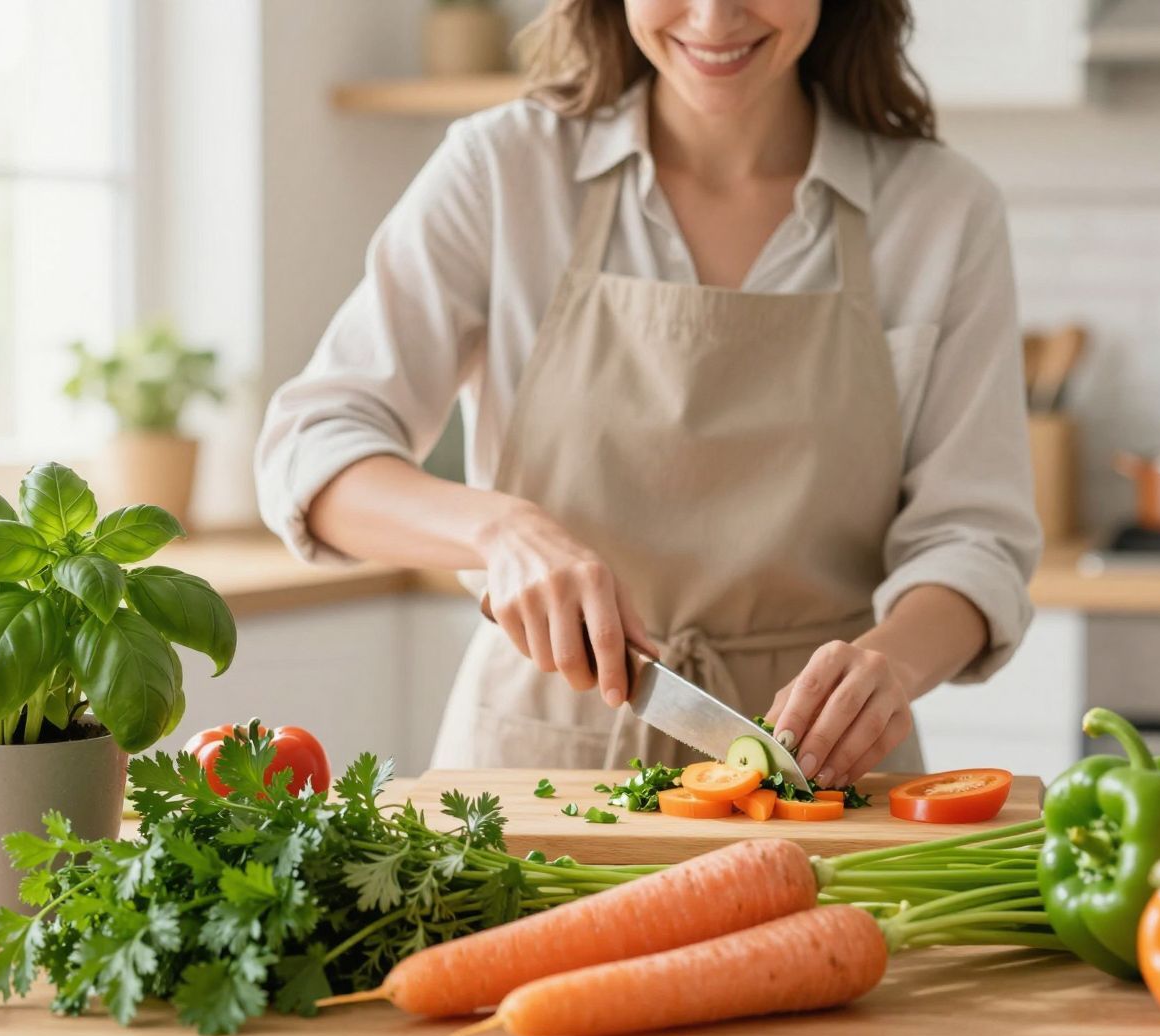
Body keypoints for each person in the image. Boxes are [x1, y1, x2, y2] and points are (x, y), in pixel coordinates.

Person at [256, 0, 1038, 789]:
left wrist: (890, 667)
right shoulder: (503, 170)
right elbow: (314, 447)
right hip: (534, 770)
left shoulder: (942, 211)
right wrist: (501, 530)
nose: (712, 15)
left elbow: (976, 540)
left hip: (826, 773)